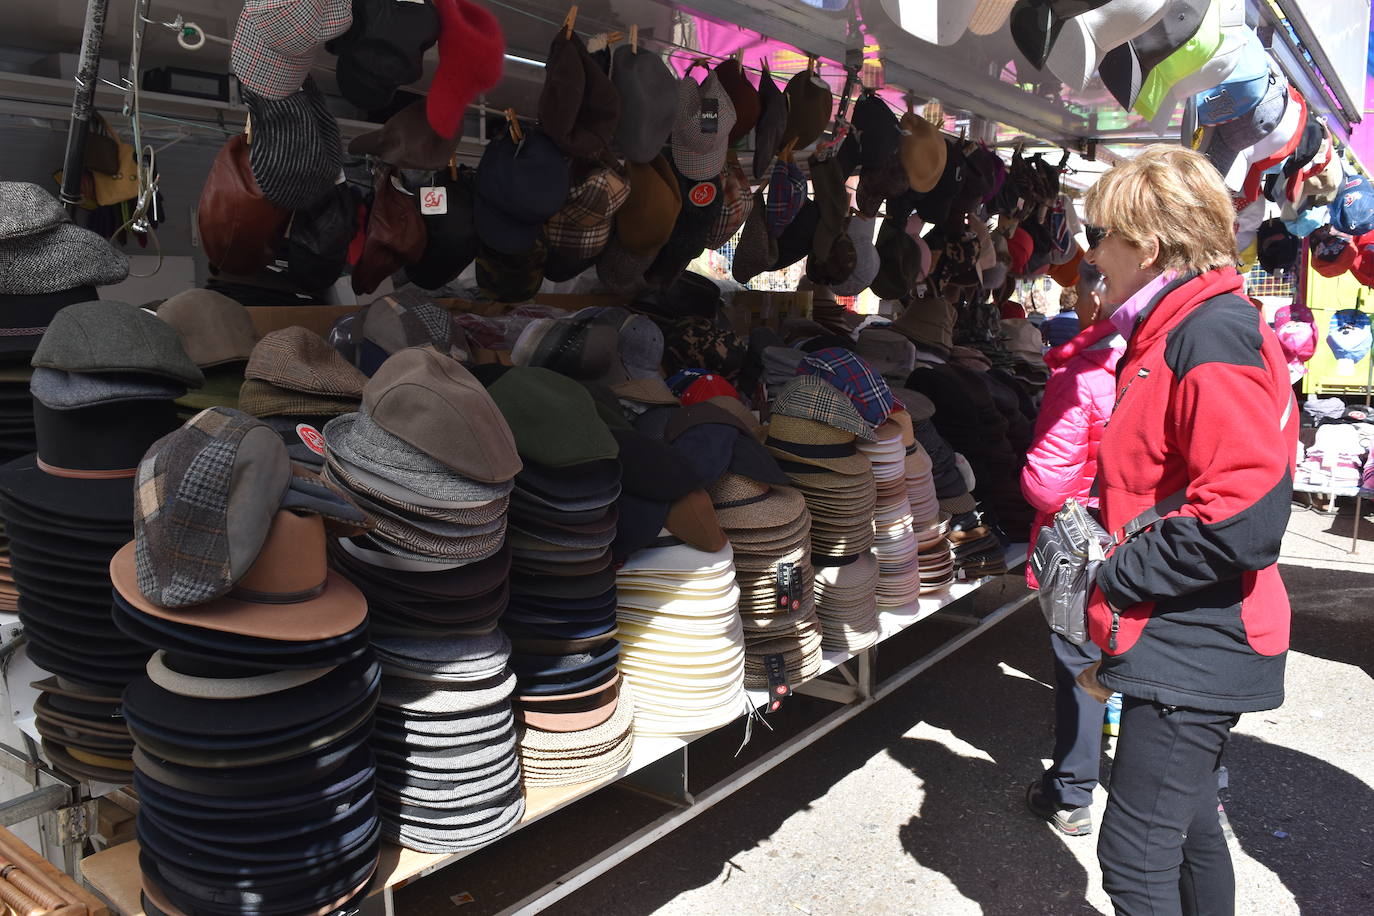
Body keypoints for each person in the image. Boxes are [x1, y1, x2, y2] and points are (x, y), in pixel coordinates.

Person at [1078, 146, 1296, 916]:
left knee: (1135, 863)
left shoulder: (1210, 331)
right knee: (1192, 831)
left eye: (1097, 231)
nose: (1089, 249)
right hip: (1182, 630)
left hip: (1195, 638)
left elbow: (1244, 514)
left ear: (1145, 245)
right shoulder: (1182, 326)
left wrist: (1111, 576)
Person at [1020, 259, 1122, 837]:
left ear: (1094, 299)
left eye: (1082, 287)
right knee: (1138, 658)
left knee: (1081, 664)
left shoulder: (1082, 375)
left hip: (1081, 540)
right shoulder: (1151, 359)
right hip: (1143, 535)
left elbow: (1047, 484)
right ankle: (1147, 787)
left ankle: (1072, 793)